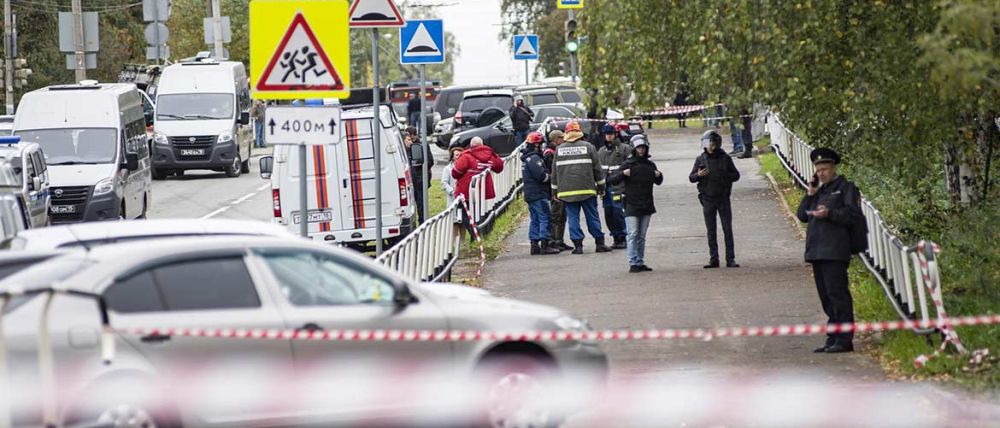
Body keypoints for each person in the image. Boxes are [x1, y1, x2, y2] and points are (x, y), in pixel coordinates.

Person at [796, 148, 862, 354]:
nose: (821, 173)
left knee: (838, 295)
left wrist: (830, 213)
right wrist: (810, 194)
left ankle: (844, 339)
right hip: (817, 250)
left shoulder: (846, 189)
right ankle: (833, 337)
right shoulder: (819, 191)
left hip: (835, 250)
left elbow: (852, 216)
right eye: (818, 170)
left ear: (833, 168)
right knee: (826, 297)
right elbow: (802, 216)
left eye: (824, 169)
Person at [551, 120, 612, 254]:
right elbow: (597, 169)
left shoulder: (559, 150)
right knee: (592, 217)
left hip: (567, 192)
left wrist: (554, 191)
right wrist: (602, 187)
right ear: (579, 132)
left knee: (573, 218)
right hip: (587, 190)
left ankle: (578, 246)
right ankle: (599, 243)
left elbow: (554, 173)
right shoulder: (589, 147)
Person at [611, 135, 663, 272]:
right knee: (633, 233)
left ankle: (640, 261)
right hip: (631, 204)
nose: (641, 150)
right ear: (634, 148)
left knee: (641, 235)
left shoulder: (649, 164)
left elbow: (659, 181)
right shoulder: (628, 164)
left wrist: (659, 175)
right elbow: (613, 179)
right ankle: (632, 262)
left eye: (643, 148)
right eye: (639, 148)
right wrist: (623, 173)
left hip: (646, 203)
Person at [689, 130, 741, 268]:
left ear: (717, 144)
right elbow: (691, 178)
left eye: (712, 144)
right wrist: (698, 175)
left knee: (727, 228)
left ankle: (730, 258)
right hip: (707, 198)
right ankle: (714, 258)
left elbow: (736, 175)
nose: (710, 147)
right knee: (711, 230)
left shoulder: (725, 158)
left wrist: (725, 174)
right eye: (708, 144)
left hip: (723, 198)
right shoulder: (701, 159)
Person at [452, 137, 504, 234]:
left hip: (466, 192)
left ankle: (475, 235)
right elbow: (499, 167)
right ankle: (482, 234)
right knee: (481, 214)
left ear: (471, 146)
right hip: (484, 192)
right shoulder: (491, 155)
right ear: (482, 145)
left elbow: (456, 172)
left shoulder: (466, 156)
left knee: (465, 214)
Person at [521, 132, 560, 256]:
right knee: (545, 217)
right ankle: (544, 244)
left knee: (535, 219)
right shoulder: (534, 159)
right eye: (541, 144)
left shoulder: (528, 158)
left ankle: (534, 245)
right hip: (538, 193)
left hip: (531, 194)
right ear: (536, 145)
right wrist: (552, 177)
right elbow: (542, 176)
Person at [597, 123, 631, 249]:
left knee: (618, 212)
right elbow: (598, 170)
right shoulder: (601, 151)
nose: (608, 136)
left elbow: (631, 166)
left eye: (610, 134)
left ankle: (622, 237)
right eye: (606, 134)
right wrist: (599, 187)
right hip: (606, 188)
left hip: (619, 187)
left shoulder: (625, 149)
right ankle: (615, 237)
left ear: (616, 134)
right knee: (609, 213)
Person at [544, 130, 572, 252]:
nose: (563, 140)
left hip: (561, 188)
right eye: (561, 138)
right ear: (555, 139)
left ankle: (560, 240)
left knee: (562, 215)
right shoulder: (549, 154)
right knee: (556, 215)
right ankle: (554, 240)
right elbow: (554, 172)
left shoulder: (556, 151)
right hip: (555, 189)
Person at [404, 127, 434, 224]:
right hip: (410, 181)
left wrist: (419, 164)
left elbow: (430, 161)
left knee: (421, 204)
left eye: (410, 138)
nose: (410, 141)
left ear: (413, 135)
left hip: (420, 180)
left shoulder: (422, 145)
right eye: (408, 139)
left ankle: (422, 223)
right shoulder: (404, 149)